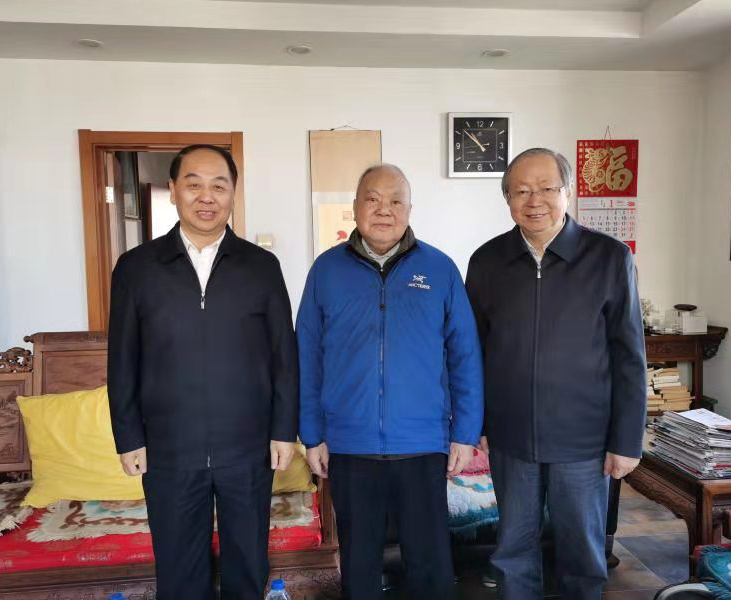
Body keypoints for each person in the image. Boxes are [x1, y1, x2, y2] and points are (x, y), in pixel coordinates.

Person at [107, 145, 298, 600]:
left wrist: (283, 430)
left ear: (233, 193)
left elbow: (284, 356)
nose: (206, 197)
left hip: (247, 445)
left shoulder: (261, 266)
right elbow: (122, 359)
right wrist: (128, 436)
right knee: (178, 571)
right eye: (194, 184)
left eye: (219, 186)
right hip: (169, 447)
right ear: (173, 190)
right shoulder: (137, 268)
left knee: (248, 564)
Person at [465, 148, 647, 599]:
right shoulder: (487, 261)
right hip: (511, 438)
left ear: (568, 192)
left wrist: (627, 440)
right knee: (512, 553)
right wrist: (477, 424)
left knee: (582, 555)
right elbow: (473, 352)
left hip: (584, 441)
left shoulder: (610, 257)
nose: (535, 201)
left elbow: (629, 356)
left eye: (547, 188)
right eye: (521, 191)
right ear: (507, 198)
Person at [297, 164, 484, 600]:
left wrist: (465, 433)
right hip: (350, 446)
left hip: (422, 445)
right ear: (355, 207)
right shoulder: (326, 271)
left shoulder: (439, 269)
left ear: (410, 209)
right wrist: (312, 433)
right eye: (373, 199)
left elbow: (465, 355)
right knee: (359, 566)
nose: (384, 210)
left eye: (395, 200)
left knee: (430, 566)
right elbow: (306, 356)